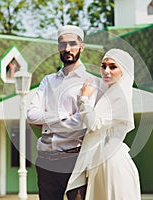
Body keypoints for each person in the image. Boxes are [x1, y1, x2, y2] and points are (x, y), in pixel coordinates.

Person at [27, 25, 99, 200]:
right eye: (62, 44)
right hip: (44, 159)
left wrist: (46, 121)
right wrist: (62, 117)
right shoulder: (48, 81)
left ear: (82, 46)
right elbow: (31, 115)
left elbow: (80, 122)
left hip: (73, 159)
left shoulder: (91, 82)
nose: (67, 49)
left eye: (72, 44)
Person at [66, 49, 141, 200]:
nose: (106, 71)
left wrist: (83, 99)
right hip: (99, 161)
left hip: (112, 163)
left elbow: (94, 124)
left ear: (123, 71)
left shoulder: (121, 97)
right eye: (103, 66)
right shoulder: (108, 93)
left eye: (113, 67)